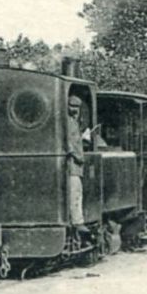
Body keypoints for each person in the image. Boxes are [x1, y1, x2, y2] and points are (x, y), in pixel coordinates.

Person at [65, 95, 86, 229]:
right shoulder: (70, 123)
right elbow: (69, 143)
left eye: (77, 107)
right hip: (72, 166)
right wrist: (77, 156)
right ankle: (77, 221)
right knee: (75, 192)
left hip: (75, 166)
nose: (75, 110)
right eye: (72, 107)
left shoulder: (73, 122)